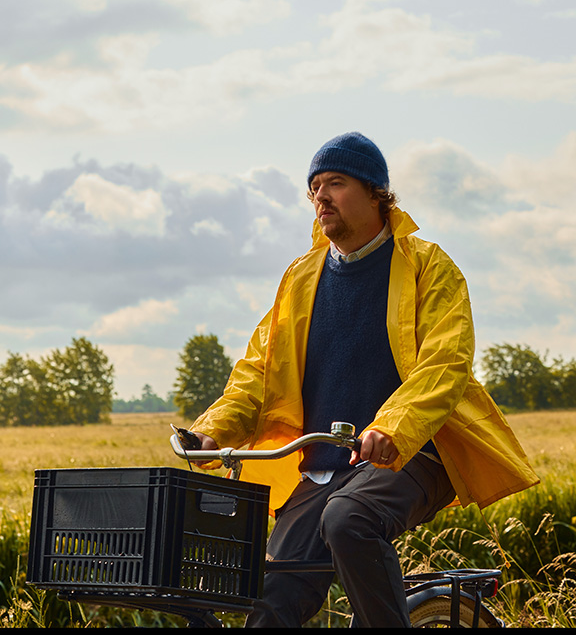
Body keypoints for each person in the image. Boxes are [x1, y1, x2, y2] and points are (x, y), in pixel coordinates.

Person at [189, 132, 539, 628]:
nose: (321, 197)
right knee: (274, 593)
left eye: (336, 183)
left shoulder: (427, 266)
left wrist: (392, 428)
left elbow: (444, 363)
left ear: (377, 193)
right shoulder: (301, 277)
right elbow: (258, 373)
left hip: (414, 452)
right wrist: (213, 430)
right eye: (314, 188)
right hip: (324, 464)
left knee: (349, 519)